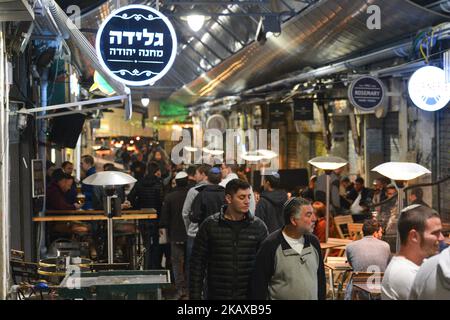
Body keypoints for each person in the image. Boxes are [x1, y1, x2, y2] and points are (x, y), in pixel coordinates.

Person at [189, 179, 268, 300]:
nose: (247, 201)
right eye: (242, 197)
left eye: (249, 197)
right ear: (229, 198)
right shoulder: (210, 225)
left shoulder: (258, 227)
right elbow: (197, 265)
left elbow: (266, 267)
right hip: (216, 295)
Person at [250, 197, 325, 300]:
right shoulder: (271, 245)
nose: (314, 219)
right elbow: (258, 286)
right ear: (294, 220)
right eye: (308, 215)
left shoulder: (314, 242)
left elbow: (320, 280)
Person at [381, 205, 444, 300]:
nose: (442, 238)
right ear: (414, 236)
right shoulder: (403, 274)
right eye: (435, 233)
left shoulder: (421, 264)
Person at [159, 171, 190, 300]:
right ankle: (190, 288)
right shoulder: (192, 195)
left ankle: (180, 289)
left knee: (177, 263)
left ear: (176, 182)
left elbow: (164, 218)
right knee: (189, 262)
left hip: (175, 235)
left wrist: (162, 229)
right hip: (190, 235)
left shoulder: (170, 197)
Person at [128, 161, 164, 269]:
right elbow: (161, 201)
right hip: (156, 217)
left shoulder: (140, 182)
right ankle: (155, 265)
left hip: (143, 216)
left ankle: (146, 265)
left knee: (146, 242)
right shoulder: (159, 184)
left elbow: (130, 197)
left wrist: (138, 207)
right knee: (156, 243)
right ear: (157, 172)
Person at [345, 219, 391, 299]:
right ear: (375, 233)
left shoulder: (350, 246)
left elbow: (352, 265)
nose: (381, 235)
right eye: (380, 232)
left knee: (352, 278)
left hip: (360, 287)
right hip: (379, 287)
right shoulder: (386, 246)